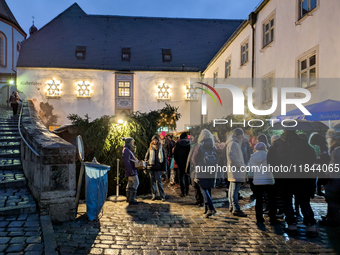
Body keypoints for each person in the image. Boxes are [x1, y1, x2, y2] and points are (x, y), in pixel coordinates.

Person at [267, 129, 317, 236]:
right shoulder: (303, 143)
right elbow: (312, 158)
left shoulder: (277, 144)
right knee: (304, 202)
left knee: (287, 202)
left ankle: (292, 225)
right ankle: (310, 226)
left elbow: (270, 161)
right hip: (301, 177)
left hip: (284, 178)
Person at [192, 129, 218, 217]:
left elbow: (194, 159)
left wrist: (197, 165)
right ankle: (207, 210)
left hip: (201, 170)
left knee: (203, 189)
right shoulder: (213, 146)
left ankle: (211, 208)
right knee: (209, 189)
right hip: (212, 170)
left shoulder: (199, 146)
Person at [249, 142, 276, 225]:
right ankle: (272, 217)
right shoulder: (269, 155)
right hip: (268, 179)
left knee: (259, 200)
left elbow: (250, 170)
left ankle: (259, 218)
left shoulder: (252, 157)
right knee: (271, 199)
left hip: (258, 181)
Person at [320, 124, 340, 226]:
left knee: (333, 200)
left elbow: (334, 166)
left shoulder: (336, 150)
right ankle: (331, 217)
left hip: (335, 180)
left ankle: (333, 219)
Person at [226, 128, 247, 217]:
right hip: (236, 169)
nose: (242, 136)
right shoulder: (233, 143)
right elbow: (233, 157)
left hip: (234, 169)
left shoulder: (233, 143)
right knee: (234, 189)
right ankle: (236, 208)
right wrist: (241, 166)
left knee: (232, 188)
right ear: (237, 135)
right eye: (241, 135)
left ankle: (232, 205)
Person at [145, 135, 167, 201]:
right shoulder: (150, 149)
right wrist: (146, 166)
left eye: (156, 140)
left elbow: (164, 160)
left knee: (159, 182)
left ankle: (162, 196)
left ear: (158, 140)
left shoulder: (161, 148)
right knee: (152, 183)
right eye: (154, 140)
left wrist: (164, 169)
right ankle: (154, 195)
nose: (155, 141)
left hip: (158, 168)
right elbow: (146, 158)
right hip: (151, 167)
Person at [186, 139, 204, 207]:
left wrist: (187, 169)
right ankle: (203, 200)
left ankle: (199, 200)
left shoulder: (194, 147)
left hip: (195, 168)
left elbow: (190, 158)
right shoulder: (209, 146)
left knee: (196, 185)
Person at [122, 137, 139, 205]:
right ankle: (131, 199)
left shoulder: (127, 149)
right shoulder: (127, 150)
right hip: (131, 170)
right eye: (132, 142)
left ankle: (128, 198)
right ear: (129, 142)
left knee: (130, 183)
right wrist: (131, 170)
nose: (133, 143)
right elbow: (127, 162)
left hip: (130, 170)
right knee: (136, 183)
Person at [174, 132, 191, 197]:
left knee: (181, 177)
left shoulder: (178, 144)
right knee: (187, 176)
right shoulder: (189, 144)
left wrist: (177, 161)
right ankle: (187, 191)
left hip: (180, 163)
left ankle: (182, 192)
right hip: (188, 163)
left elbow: (175, 154)